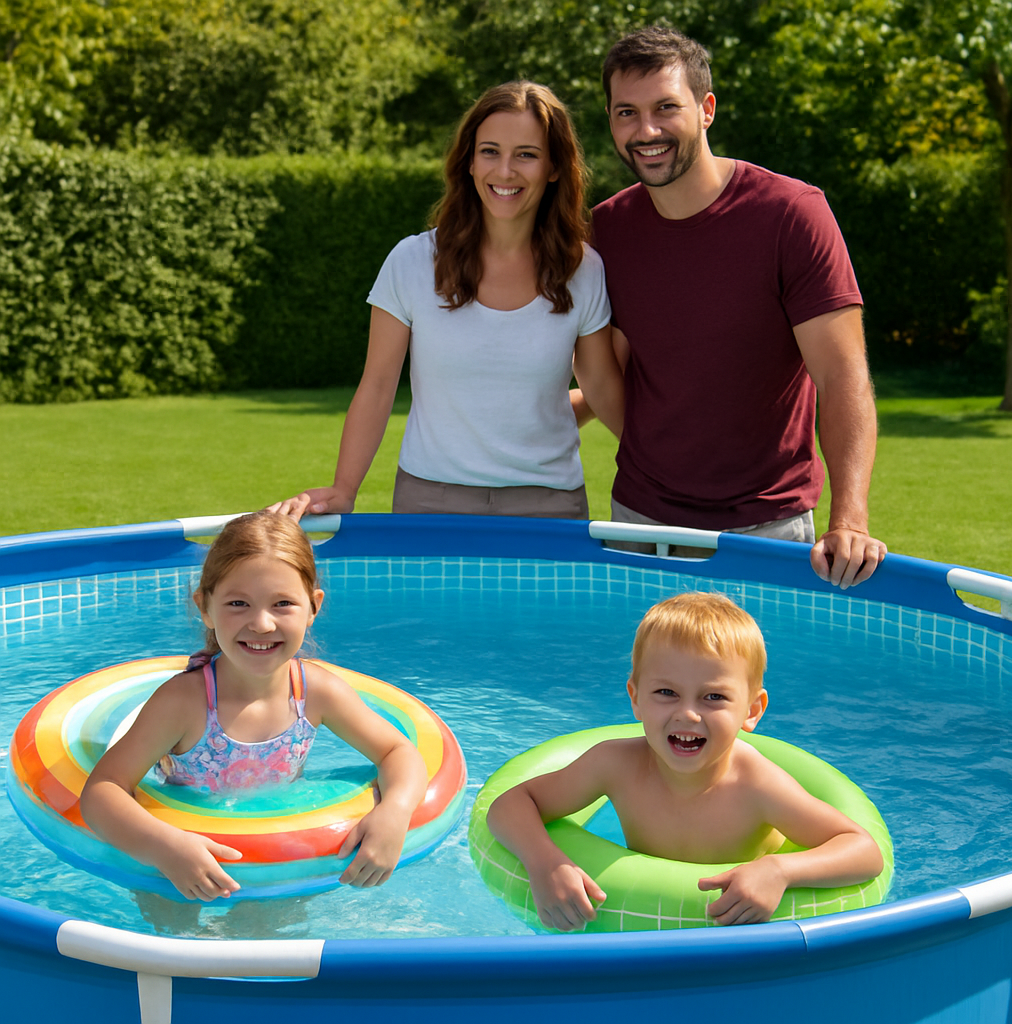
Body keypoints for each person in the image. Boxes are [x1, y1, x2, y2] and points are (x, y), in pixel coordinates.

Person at [580, 26, 886, 589]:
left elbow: (842, 376)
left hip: (766, 527)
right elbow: (610, 371)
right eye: (626, 113)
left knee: (756, 681)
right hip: (639, 523)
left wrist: (850, 516)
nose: (645, 131)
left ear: (707, 109)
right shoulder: (607, 231)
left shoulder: (792, 215)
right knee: (640, 682)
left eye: (665, 108)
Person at [271, 81, 623, 522]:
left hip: (549, 506)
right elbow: (377, 386)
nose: (506, 171)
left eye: (527, 154)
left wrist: (667, 465)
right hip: (429, 503)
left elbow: (603, 388)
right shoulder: (412, 261)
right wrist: (345, 488)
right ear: (469, 162)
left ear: (554, 167)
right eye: (490, 151)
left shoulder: (583, 269)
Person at [81, 510, 428, 902]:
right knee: (180, 949)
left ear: (313, 607)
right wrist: (163, 846)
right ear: (205, 607)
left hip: (277, 858)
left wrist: (395, 811)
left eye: (282, 603)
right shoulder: (184, 702)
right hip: (181, 866)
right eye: (238, 604)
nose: (261, 624)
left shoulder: (315, 692)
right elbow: (103, 791)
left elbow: (398, 751)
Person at [487, 592, 883, 932]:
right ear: (636, 697)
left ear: (752, 710)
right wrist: (546, 862)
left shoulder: (757, 784)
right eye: (666, 692)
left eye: (713, 697)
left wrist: (780, 870)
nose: (688, 715)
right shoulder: (615, 764)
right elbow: (510, 805)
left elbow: (862, 850)